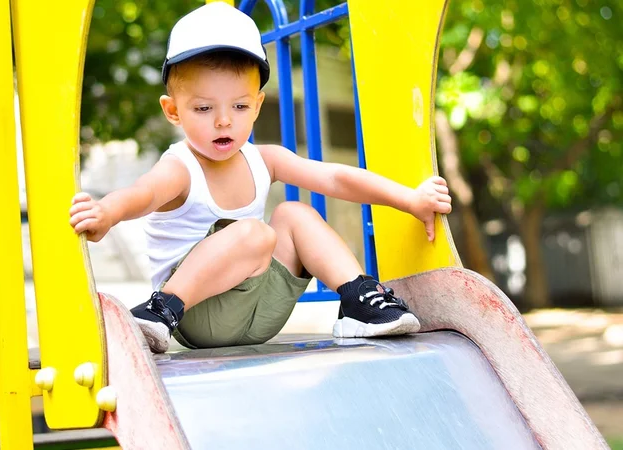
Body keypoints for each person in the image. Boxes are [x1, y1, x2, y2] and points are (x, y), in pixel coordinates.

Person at [69, 2, 452, 353]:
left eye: (239, 106)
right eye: (203, 108)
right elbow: (143, 194)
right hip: (193, 315)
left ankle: (358, 298)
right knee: (257, 233)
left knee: (294, 215)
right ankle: (158, 311)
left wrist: (409, 199)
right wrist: (107, 213)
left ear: (257, 106)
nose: (224, 120)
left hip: (259, 313)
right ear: (172, 111)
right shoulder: (181, 167)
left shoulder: (263, 160)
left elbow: (335, 179)